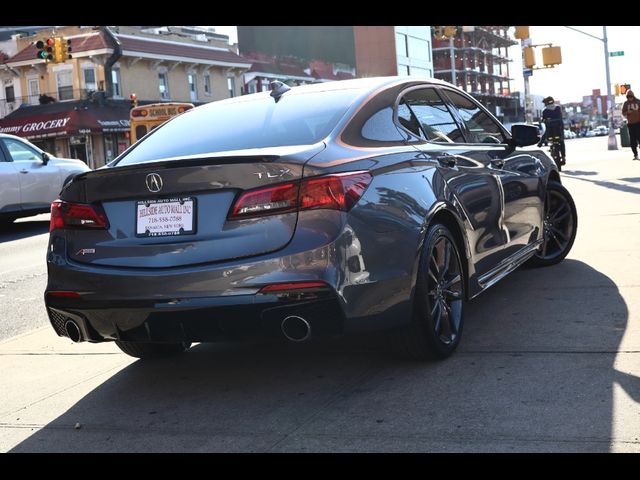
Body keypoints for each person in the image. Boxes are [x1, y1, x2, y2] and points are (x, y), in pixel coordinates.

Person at [538, 96, 566, 164]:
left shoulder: (545, 110)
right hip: (559, 130)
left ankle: (539, 145)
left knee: (545, 134)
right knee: (561, 141)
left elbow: (543, 119)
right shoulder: (558, 108)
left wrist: (544, 120)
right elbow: (561, 117)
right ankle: (563, 156)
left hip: (550, 131)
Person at [622, 90, 640, 160]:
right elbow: (623, 113)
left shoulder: (638, 101)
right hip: (630, 124)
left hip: (638, 123)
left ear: (633, 96)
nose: (630, 98)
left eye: (631, 97)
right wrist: (627, 112)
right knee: (632, 141)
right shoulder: (626, 103)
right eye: (628, 97)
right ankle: (635, 155)